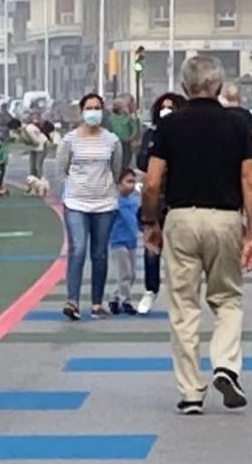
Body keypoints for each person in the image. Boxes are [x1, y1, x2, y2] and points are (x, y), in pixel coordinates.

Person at [142, 56, 252, 415]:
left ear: (184, 86)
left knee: (183, 307)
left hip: (181, 217)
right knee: (228, 299)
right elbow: (249, 182)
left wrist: (150, 222)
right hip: (225, 218)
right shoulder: (237, 123)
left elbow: (152, 182)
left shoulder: (169, 125)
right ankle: (225, 365)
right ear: (219, 86)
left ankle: (191, 391)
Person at [57, 92, 123, 320]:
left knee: (100, 253)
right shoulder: (69, 140)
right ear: (82, 111)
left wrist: (108, 190)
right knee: (78, 249)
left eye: (97, 108)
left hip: (104, 204)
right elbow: (62, 170)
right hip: (76, 202)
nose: (93, 112)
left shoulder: (112, 141)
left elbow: (116, 169)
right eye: (89, 108)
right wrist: (70, 190)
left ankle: (96, 303)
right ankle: (72, 301)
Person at [134, 92, 186, 314]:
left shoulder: (187, 135)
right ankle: (150, 289)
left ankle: (179, 294)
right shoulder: (152, 134)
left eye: (171, 107)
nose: (166, 111)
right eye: (163, 107)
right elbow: (142, 162)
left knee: (179, 250)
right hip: (156, 197)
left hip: (179, 198)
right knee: (152, 247)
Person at [108, 168, 141, 316]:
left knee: (131, 274)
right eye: (128, 181)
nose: (131, 185)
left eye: (133, 182)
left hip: (131, 241)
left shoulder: (134, 202)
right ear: (119, 184)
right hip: (118, 241)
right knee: (124, 274)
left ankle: (114, 297)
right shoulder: (114, 203)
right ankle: (125, 301)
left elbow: (136, 220)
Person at [22, 112, 49, 178]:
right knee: (32, 166)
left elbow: (36, 141)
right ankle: (33, 181)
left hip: (41, 145)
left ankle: (40, 181)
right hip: (34, 147)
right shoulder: (24, 131)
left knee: (38, 165)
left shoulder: (29, 129)